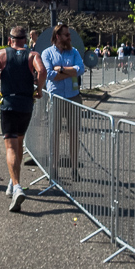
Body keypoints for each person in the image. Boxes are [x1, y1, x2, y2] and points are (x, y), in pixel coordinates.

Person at [0, 26, 46, 212]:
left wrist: (1, 73)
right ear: (24, 39)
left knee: (10, 146)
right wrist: (39, 89)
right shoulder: (32, 55)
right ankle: (13, 183)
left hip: (9, 104)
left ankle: (17, 185)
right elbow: (42, 71)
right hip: (26, 104)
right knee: (19, 143)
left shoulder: (2, 54)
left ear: (10, 39)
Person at [41, 24, 85, 171]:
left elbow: (80, 69)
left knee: (73, 134)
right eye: (67, 35)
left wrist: (59, 69)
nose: (69, 37)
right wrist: (69, 71)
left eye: (69, 35)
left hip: (73, 97)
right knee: (55, 134)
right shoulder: (47, 53)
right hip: (56, 98)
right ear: (58, 37)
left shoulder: (74, 52)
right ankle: (54, 168)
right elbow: (48, 74)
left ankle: (74, 168)